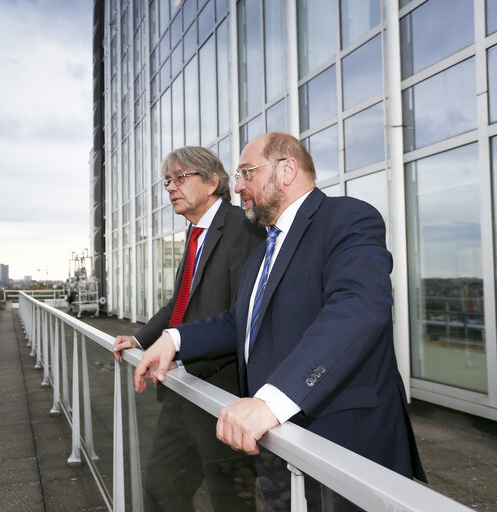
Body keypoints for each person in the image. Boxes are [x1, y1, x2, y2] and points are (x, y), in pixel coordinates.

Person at [134, 133, 426, 506]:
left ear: (287, 170)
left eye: (246, 173)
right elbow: (239, 322)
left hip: (345, 439)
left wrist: (273, 401)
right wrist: (173, 340)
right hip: (282, 447)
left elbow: (357, 310)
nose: (237, 186)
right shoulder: (263, 250)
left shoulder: (348, 218)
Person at [112, 146, 265, 511]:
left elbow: (242, 317)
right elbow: (181, 301)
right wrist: (140, 338)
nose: (170, 188)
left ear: (213, 181)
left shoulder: (243, 227)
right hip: (182, 388)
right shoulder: (196, 233)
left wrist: (175, 342)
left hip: (222, 394)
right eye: (168, 180)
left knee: (231, 501)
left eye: (181, 177)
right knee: (161, 488)